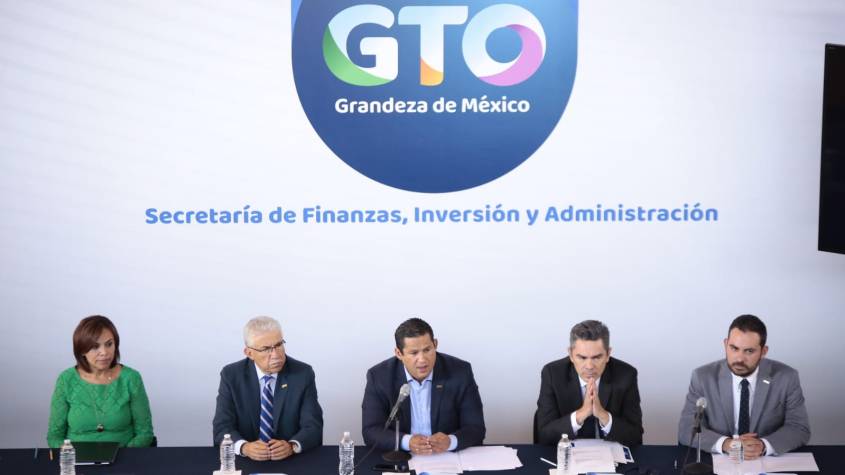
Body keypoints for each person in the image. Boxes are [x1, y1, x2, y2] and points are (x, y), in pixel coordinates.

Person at [678, 314, 810, 458]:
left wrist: (763, 446)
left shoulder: (787, 378)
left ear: (763, 352)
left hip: (764, 462)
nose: (739, 358)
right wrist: (727, 444)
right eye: (734, 348)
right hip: (721, 461)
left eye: (749, 351)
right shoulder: (703, 377)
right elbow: (687, 429)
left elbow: (799, 428)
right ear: (725, 344)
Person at [361, 318, 485, 453]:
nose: (422, 359)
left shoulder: (460, 372)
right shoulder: (379, 377)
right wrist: (407, 442)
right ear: (399, 353)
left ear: (435, 344)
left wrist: (451, 441)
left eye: (427, 350)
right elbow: (371, 431)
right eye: (414, 353)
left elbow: (476, 428)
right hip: (402, 456)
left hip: (447, 456)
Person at [213, 316, 323, 461]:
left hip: (290, 461)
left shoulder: (302, 374)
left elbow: (313, 426)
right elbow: (222, 427)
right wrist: (244, 447)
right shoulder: (231, 375)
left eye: (279, 345)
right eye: (266, 349)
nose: (276, 355)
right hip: (246, 461)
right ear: (249, 353)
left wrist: (292, 446)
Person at [47, 315, 154, 448]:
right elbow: (54, 437)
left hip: (124, 455)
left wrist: (126, 455)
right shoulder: (66, 379)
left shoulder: (131, 378)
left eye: (109, 344)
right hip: (77, 457)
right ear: (82, 350)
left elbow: (145, 433)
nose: (104, 352)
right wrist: (72, 455)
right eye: (95, 347)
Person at [534, 320, 643, 447]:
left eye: (597, 357)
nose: (589, 366)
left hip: (610, 453)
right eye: (582, 357)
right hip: (568, 454)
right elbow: (544, 435)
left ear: (608, 354)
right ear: (571, 354)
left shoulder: (626, 375)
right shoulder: (552, 374)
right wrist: (581, 414)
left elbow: (635, 435)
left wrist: (603, 415)